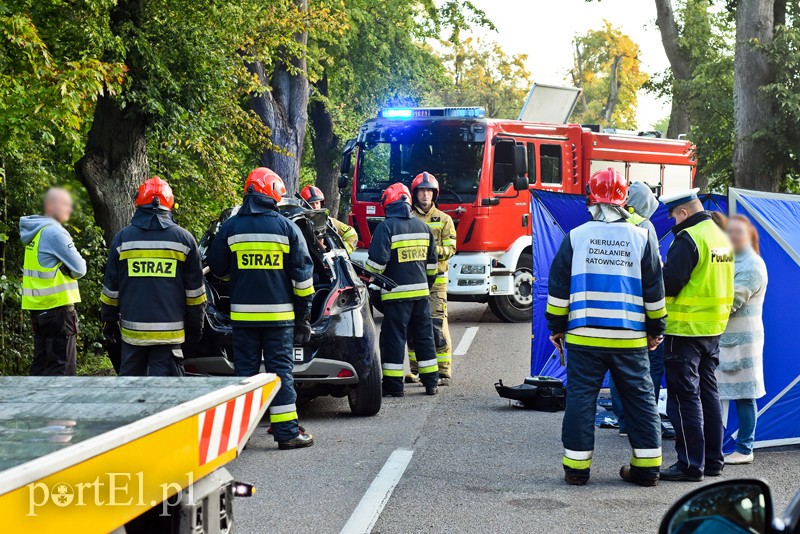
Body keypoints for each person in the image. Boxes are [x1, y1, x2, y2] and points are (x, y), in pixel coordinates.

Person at [546, 168, 667, 487]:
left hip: (584, 336)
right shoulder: (642, 237)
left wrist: (556, 327)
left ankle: (576, 469)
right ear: (622, 201)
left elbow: (558, 289)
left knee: (581, 400)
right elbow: (655, 291)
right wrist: (656, 330)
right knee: (640, 400)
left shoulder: (576, 236)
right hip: (630, 337)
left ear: (591, 199)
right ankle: (646, 469)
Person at [208, 167, 315, 450]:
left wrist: (241, 277)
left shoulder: (230, 227)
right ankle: (287, 433)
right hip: (280, 320)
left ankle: (237, 438)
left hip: (243, 318)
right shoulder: (287, 228)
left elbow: (217, 269)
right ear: (271, 193)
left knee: (245, 375)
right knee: (280, 373)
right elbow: (303, 279)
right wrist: (303, 317)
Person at [658, 188, 734, 482]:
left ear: (684, 213)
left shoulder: (688, 238)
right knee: (708, 394)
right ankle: (713, 461)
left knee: (682, 398)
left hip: (684, 329)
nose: (673, 223)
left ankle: (690, 464)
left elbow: (671, 284)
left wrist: (656, 275)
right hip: (713, 328)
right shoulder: (719, 235)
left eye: (673, 217)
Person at [100, 176, 206, 376]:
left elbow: (110, 290)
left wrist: (109, 321)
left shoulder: (123, 239)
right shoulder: (184, 240)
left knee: (131, 394)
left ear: (138, 202)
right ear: (170, 203)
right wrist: (195, 325)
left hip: (133, 337)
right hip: (170, 338)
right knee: (166, 399)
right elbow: (195, 294)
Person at [365, 182, 439, 396]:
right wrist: (426, 286)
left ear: (388, 204)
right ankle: (431, 382)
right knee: (424, 337)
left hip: (396, 296)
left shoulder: (386, 227)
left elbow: (376, 265)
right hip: (421, 295)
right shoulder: (424, 228)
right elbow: (432, 266)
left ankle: (394, 386)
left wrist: (371, 281)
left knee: (394, 339)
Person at [609, 181, 665, 437]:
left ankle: (622, 421)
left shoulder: (610, 222)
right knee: (647, 366)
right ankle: (643, 418)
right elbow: (653, 273)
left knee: (617, 365)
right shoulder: (645, 226)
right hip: (639, 309)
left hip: (614, 307)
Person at [717, 215, 768, 465]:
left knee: (744, 395)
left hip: (743, 342)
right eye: (730, 232)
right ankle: (718, 446)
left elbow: (732, 301)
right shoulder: (732, 258)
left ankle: (745, 448)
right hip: (728, 339)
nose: (733, 236)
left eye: (738, 232)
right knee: (722, 393)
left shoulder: (752, 265)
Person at [20, 188, 86, 375]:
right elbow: (80, 268)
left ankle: (34, 404)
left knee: (41, 367)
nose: (68, 209)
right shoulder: (55, 233)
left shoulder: (34, 233)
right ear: (50, 206)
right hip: (58, 311)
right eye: (64, 204)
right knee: (62, 370)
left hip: (39, 311)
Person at [405, 172, 457, 386]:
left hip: (437, 280)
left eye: (428, 190)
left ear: (434, 194)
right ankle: (417, 369)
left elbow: (452, 248)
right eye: (421, 190)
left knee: (436, 324)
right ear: (415, 194)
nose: (424, 194)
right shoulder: (408, 218)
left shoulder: (444, 219)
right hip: (414, 280)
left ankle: (443, 371)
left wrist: (431, 252)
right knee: (413, 324)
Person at [300, 185, 358, 253]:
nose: (315, 207)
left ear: (321, 203)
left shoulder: (329, 222)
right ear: (303, 205)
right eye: (311, 204)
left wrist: (340, 252)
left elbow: (352, 234)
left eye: (317, 203)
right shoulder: (299, 223)